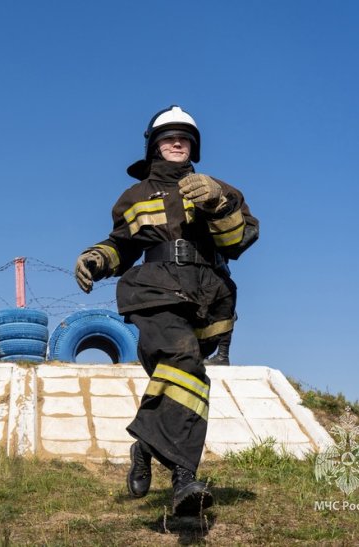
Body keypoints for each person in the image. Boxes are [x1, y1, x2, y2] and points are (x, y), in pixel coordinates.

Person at [74, 105, 259, 516]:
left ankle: (145, 445)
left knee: (185, 382)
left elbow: (239, 242)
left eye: (186, 137)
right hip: (155, 291)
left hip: (209, 295)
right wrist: (96, 258)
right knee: (184, 364)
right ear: (154, 145)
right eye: (169, 137)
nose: (178, 142)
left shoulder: (219, 188)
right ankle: (184, 480)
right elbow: (123, 244)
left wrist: (219, 204)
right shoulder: (134, 196)